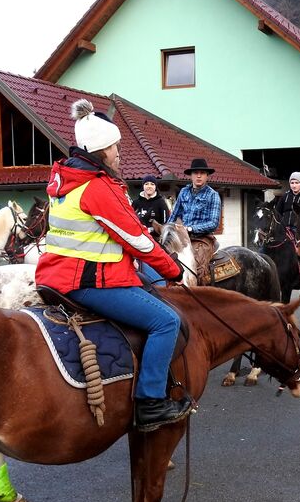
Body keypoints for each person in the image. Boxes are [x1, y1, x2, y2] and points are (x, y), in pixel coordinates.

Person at [36, 99, 191, 432]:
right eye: (114, 147)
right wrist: (173, 270)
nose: (119, 152)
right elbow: (137, 240)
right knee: (166, 320)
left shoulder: (64, 181)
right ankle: (151, 402)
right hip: (89, 280)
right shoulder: (97, 187)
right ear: (99, 151)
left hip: (57, 273)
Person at [168, 157, 222, 279]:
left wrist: (191, 229)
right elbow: (173, 216)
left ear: (207, 176)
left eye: (202, 173)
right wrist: (167, 231)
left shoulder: (213, 195)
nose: (198, 176)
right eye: (195, 173)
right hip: (182, 238)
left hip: (203, 239)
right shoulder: (183, 192)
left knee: (197, 271)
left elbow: (213, 223)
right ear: (191, 176)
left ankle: (200, 293)